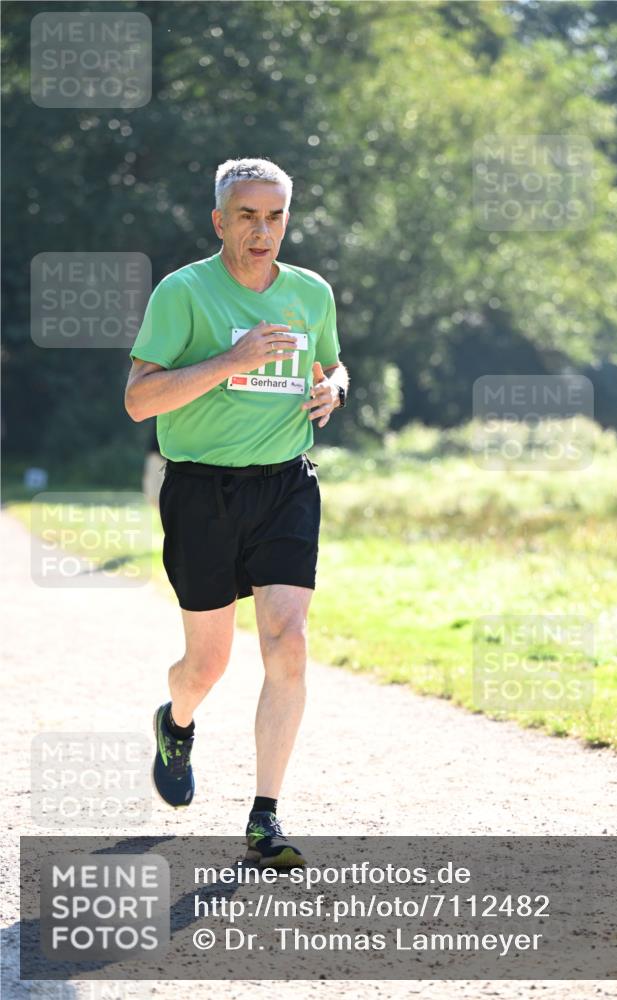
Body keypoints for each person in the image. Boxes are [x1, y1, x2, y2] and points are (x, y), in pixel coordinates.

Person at [124, 157, 348, 868]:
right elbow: (139, 400)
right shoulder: (183, 293)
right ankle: (177, 720)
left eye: (275, 215)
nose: (263, 229)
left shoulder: (311, 293)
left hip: (285, 485)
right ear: (220, 220)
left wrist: (335, 389)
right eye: (247, 215)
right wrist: (232, 358)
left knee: (287, 643)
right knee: (208, 663)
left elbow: (333, 364)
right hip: (200, 492)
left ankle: (264, 817)